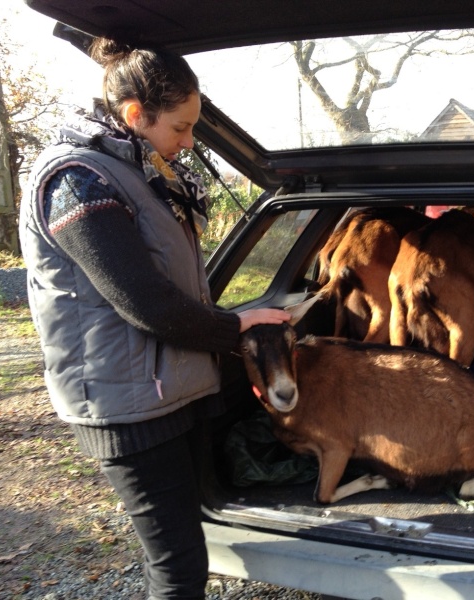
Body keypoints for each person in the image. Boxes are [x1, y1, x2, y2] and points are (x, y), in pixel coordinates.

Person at [19, 37, 290, 599]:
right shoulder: (77, 181)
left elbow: (176, 289)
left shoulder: (137, 171)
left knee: (176, 551)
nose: (189, 143)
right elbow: (145, 303)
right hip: (127, 405)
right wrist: (236, 328)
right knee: (178, 568)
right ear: (135, 115)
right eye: (181, 128)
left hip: (166, 391)